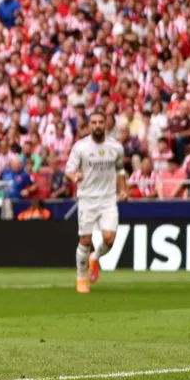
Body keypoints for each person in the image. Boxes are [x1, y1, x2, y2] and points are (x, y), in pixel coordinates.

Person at [64, 109, 127, 294]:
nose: (98, 125)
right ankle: (82, 278)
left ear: (106, 124)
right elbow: (68, 171)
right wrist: (74, 176)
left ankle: (95, 257)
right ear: (89, 125)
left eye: (101, 122)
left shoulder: (115, 147)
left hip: (108, 199)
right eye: (94, 122)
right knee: (85, 239)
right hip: (87, 199)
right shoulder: (81, 147)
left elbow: (120, 170)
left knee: (109, 238)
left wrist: (123, 189)